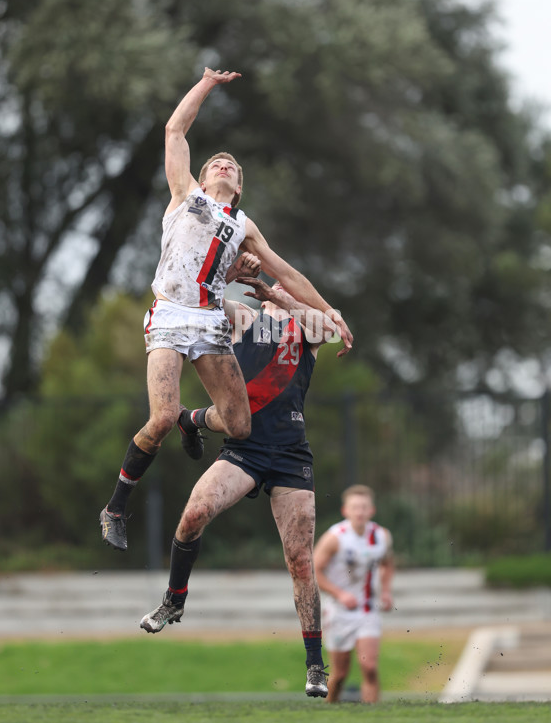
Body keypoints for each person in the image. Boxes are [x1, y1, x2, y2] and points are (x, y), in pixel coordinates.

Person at [100, 67, 353, 551]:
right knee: (158, 416)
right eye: (216, 161)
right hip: (171, 315)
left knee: (240, 424)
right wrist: (206, 84)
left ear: (239, 188)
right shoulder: (184, 195)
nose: (223, 164)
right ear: (199, 174)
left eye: (232, 166)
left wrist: (332, 313)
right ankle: (115, 507)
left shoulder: (242, 224)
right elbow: (175, 130)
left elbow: (290, 276)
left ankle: (193, 423)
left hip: (212, 320)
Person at [139, 277, 338, 699]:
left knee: (300, 559)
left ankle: (315, 665)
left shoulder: (306, 327)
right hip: (244, 449)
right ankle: (174, 599)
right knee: (194, 513)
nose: (274, 288)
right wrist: (225, 268)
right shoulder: (244, 319)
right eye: (271, 282)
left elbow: (331, 330)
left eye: (283, 284)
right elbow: (200, 302)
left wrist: (280, 295)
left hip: (290, 455)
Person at [313, 484, 394, 703]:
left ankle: (372, 715)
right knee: (339, 675)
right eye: (355, 507)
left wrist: (385, 591)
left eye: (364, 507)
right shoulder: (335, 537)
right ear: (345, 511)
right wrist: (339, 594)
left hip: (368, 609)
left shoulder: (381, 536)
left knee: (369, 667)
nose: (360, 512)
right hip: (339, 612)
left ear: (372, 510)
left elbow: (388, 563)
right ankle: (327, 712)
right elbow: (314, 571)